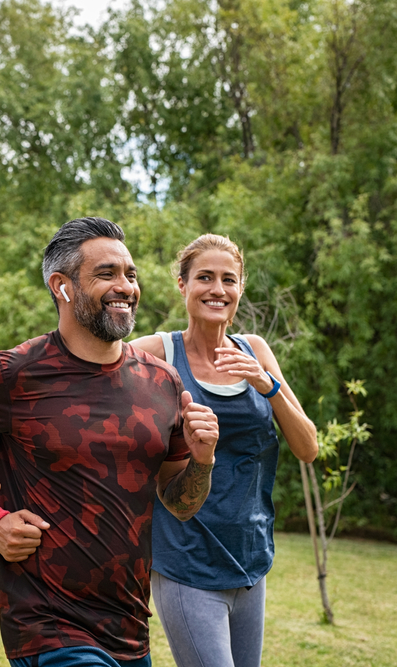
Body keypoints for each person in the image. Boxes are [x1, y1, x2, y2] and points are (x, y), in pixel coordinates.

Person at [0, 217, 221, 667]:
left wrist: (203, 459)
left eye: (130, 275)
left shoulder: (163, 382)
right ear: (62, 286)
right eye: (107, 274)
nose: (125, 286)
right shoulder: (11, 374)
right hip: (45, 624)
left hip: (130, 627)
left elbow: (180, 504)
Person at [130, 233, 318, 667]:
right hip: (187, 563)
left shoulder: (257, 351)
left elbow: (307, 447)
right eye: (204, 277)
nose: (218, 289)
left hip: (251, 560)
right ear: (182, 285)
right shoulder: (157, 353)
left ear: (240, 289)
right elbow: (90, 376)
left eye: (228, 280)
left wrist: (266, 385)